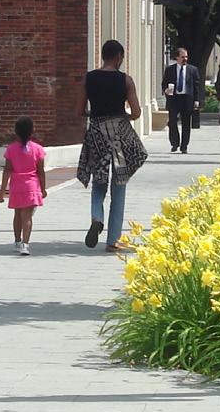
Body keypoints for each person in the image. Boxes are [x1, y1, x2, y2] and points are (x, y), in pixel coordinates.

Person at [74, 39, 147, 252]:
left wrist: (92, 114)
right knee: (119, 184)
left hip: (97, 134)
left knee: (99, 181)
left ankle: (97, 217)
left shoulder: (89, 78)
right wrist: (125, 117)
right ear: (118, 57)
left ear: (103, 56)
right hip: (119, 138)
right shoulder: (126, 80)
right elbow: (136, 112)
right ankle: (113, 240)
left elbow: (79, 110)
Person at [0, 116, 47, 256]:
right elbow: (41, 172)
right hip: (31, 186)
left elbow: (7, 170)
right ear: (31, 131)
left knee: (17, 215)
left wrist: (2, 191)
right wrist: (43, 189)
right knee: (27, 217)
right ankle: (25, 245)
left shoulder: (11, 149)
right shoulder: (38, 149)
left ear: (16, 132)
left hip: (16, 186)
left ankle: (17, 242)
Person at [161, 48, 202, 154]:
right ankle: (175, 143)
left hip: (187, 99)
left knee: (186, 123)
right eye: (183, 57)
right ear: (177, 57)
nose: (185, 59)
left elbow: (197, 86)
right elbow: (164, 83)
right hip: (174, 99)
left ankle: (184, 146)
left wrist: (196, 100)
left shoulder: (192, 70)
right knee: (172, 121)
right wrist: (166, 90)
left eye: (186, 57)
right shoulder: (170, 69)